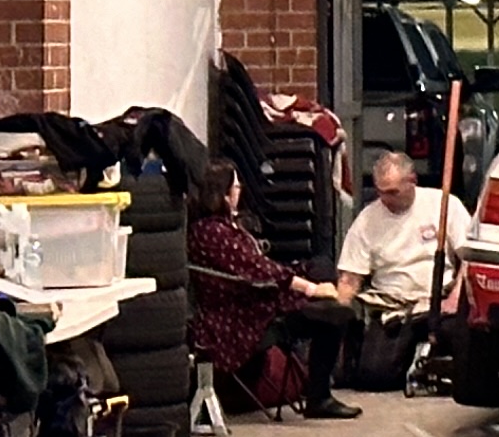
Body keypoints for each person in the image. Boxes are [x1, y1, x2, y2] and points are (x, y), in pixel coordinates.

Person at [186, 158, 360, 421]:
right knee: (336, 316)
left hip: (256, 298)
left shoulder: (224, 227)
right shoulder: (213, 232)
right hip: (242, 318)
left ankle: (319, 387)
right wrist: (310, 289)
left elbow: (259, 267)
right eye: (235, 187)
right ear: (223, 194)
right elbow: (258, 271)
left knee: (321, 265)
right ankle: (319, 397)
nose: (239, 191)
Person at [307, 148, 448, 392]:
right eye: (381, 192)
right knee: (373, 378)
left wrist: (456, 298)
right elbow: (351, 276)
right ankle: (408, 362)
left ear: (412, 182)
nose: (386, 199)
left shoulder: (442, 205)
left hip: (441, 300)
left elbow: (468, 259)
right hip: (394, 306)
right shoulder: (367, 220)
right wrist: (339, 313)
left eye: (392, 192)